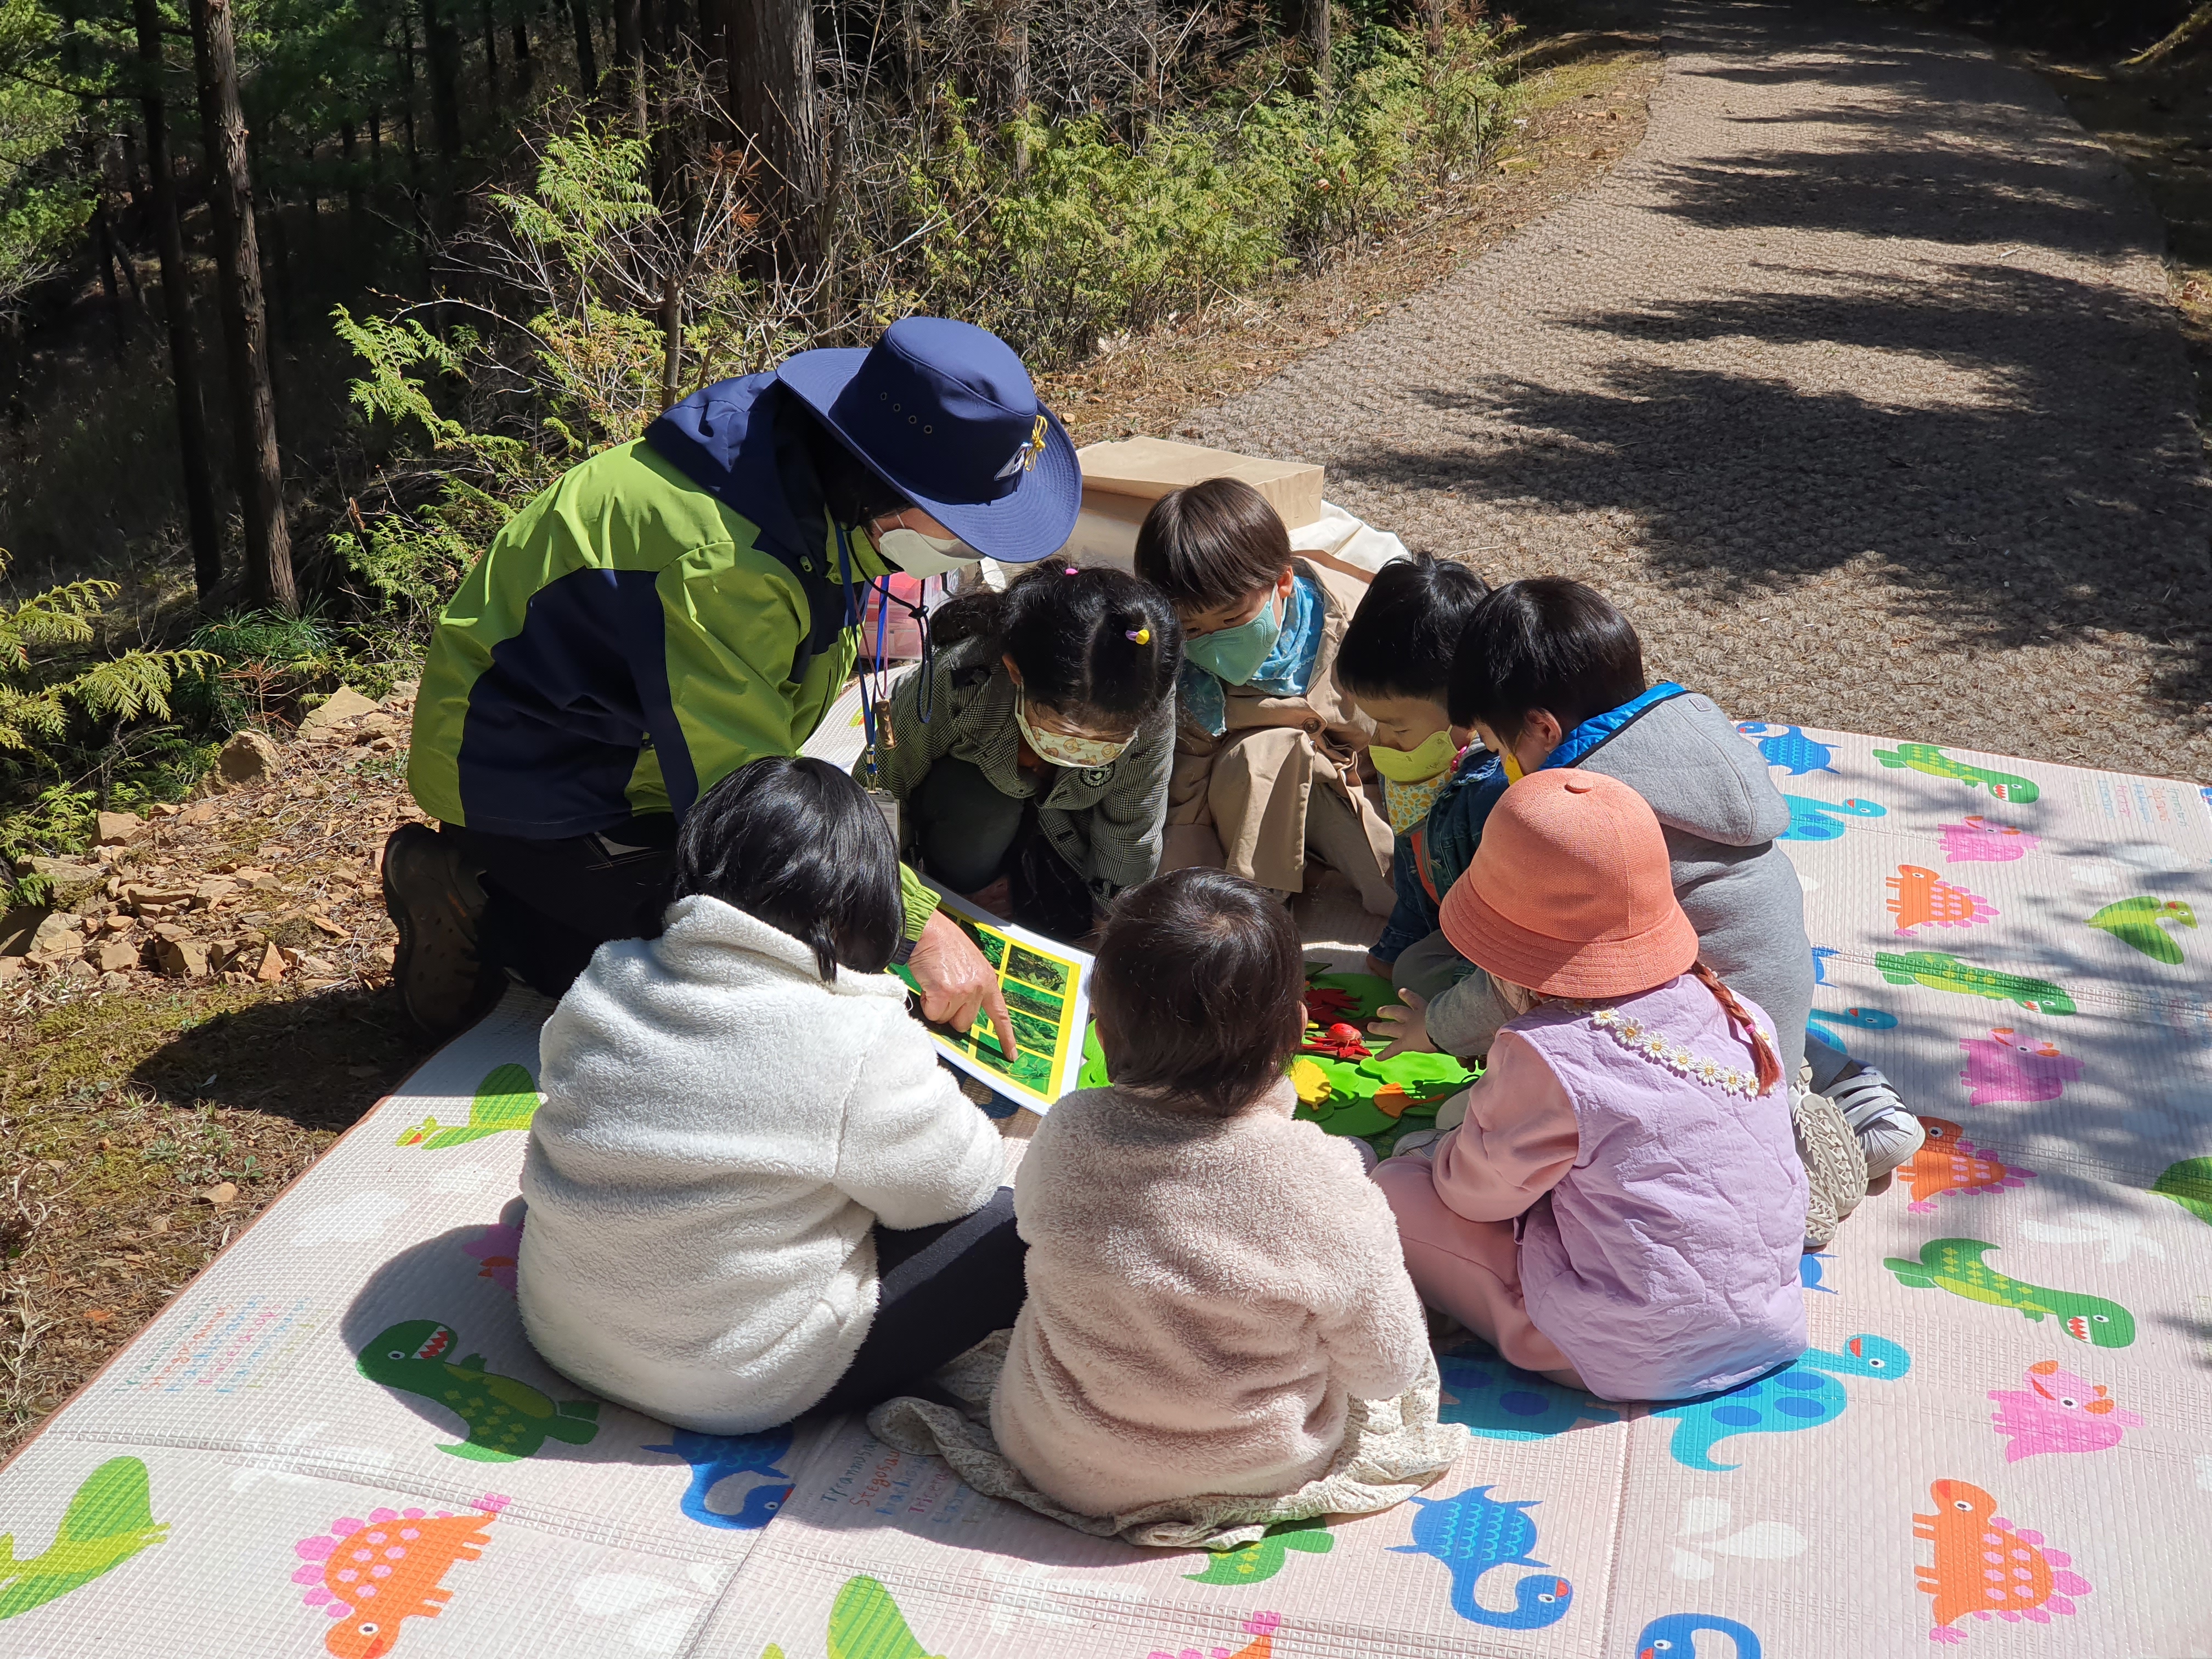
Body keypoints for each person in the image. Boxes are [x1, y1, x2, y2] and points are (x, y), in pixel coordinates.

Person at [384, 316, 1081, 1049]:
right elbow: (743, 792)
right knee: (750, 974)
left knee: (797, 921)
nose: (963, 548)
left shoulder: (808, 472)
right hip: (534, 779)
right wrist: (912, 926)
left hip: (642, 755)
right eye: (957, 526)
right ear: (877, 476)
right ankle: (481, 899)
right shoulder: (723, 558)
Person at [1374, 578, 1923, 1209]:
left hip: (1698, 1050)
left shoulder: (1581, 812)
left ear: (1543, 729)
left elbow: (1528, 981)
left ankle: (1786, 1129)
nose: (1498, 769)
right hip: (1770, 1002)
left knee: (1474, 1123)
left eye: (1497, 750)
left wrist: (1437, 1029)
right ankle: (1843, 1094)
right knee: (1754, 1018)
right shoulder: (1685, 731)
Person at [515, 756, 1020, 1434]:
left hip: (563, 1331)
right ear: (870, 897)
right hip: (735, 1382)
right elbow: (954, 1190)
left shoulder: (610, 972)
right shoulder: (860, 1033)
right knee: (1015, 1227)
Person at [991, 867, 1435, 1516]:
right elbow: (1388, 1370)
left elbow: (1032, 1228)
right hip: (1259, 1465)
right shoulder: (1322, 1181)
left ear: (1105, 1037)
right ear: (1296, 1035)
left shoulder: (1068, 1130)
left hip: (1061, 1455)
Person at [1373, 770, 1808, 1403]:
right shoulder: (1738, 1010)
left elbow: (1474, 1198)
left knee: (1394, 1190)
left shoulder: (1545, 1056)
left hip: (1627, 1350)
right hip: (1767, 1323)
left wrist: (1431, 1154)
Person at [858, 563, 1182, 942]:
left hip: (1071, 837)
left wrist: (1106, 931)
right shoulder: (959, 678)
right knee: (977, 803)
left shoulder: (1148, 706)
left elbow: (1132, 831)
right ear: (1015, 672)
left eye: (1107, 741)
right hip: (964, 819)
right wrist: (904, 896)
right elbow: (883, 782)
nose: (1080, 749)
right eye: (1063, 731)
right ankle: (971, 891)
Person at [1133, 478, 1396, 915]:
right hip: (1245, 809)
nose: (1213, 641)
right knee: (1269, 751)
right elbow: (1186, 795)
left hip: (1359, 786)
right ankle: (1262, 904)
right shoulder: (1178, 671)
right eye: (1192, 629)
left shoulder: (1362, 620)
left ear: (1283, 581)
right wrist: (1197, 905)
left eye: (1232, 618)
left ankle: (1317, 865)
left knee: (1401, 896)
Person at [1331, 551, 1504, 989]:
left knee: (1416, 975)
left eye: (1396, 726)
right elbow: (1412, 871)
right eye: (1375, 724)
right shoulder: (1412, 760)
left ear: (1465, 705)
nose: (1381, 742)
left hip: (1504, 947)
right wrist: (1399, 941)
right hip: (1450, 926)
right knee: (1403, 966)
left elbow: (1515, 912)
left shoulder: (1496, 788)